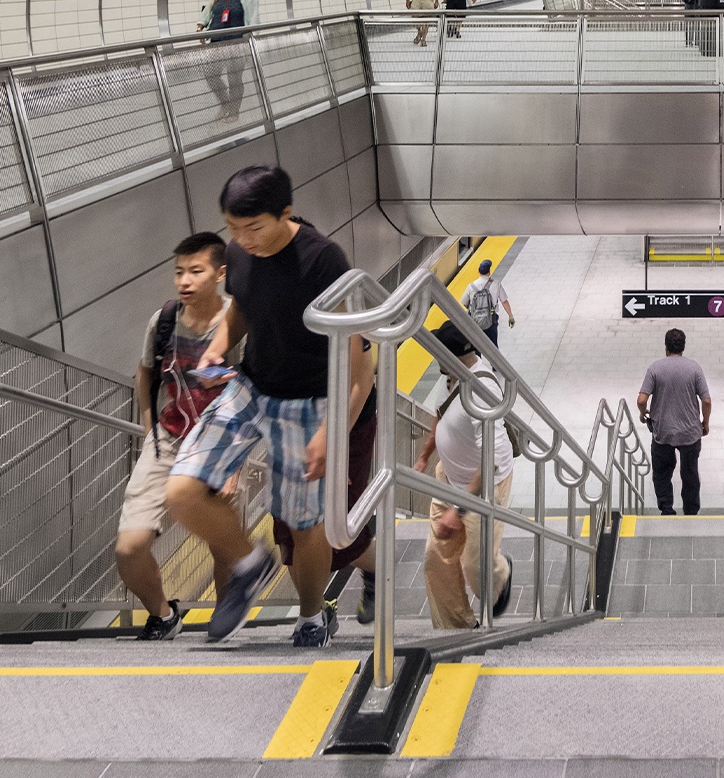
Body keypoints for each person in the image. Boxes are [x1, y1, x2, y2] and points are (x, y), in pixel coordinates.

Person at [165, 166, 373, 647]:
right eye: (233, 229)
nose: (242, 240)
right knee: (183, 491)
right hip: (250, 388)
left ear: (284, 213)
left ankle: (310, 617)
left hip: (310, 403)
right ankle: (249, 562)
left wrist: (333, 429)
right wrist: (220, 343)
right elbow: (241, 306)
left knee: (306, 525)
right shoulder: (239, 252)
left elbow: (361, 362)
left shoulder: (323, 262)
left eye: (253, 228)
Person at [114, 232, 246, 639]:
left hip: (218, 444)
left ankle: (224, 628)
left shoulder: (237, 322)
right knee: (129, 548)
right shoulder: (165, 319)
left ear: (220, 274)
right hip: (168, 439)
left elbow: (247, 391)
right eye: (179, 273)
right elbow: (145, 372)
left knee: (223, 546)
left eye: (195, 271)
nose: (184, 281)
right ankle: (164, 614)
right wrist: (149, 426)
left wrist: (234, 467)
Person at [413, 322, 515, 629]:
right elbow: (441, 416)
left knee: (477, 570)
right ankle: (457, 627)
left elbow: (490, 463)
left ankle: (500, 574)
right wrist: (424, 456)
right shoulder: (451, 377)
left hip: (483, 487)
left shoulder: (483, 391)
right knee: (435, 560)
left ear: (455, 356)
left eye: (439, 356)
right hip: (449, 478)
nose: (436, 362)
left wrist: (458, 511)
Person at [638, 328, 710, 516]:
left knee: (662, 473)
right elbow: (707, 400)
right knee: (690, 475)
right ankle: (691, 512)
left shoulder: (655, 368)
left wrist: (641, 414)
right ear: (683, 347)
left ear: (666, 347)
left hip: (663, 432)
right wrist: (705, 423)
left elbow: (641, 400)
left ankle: (667, 509)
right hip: (690, 433)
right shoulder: (694, 368)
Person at [198, 0, 259, 122]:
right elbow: (208, 10)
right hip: (216, 41)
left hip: (237, 43)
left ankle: (234, 111)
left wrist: (251, 38)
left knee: (234, 78)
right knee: (210, 74)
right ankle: (225, 103)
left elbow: (253, 18)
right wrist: (201, 25)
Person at [460, 257, 516, 344]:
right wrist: (510, 316)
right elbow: (504, 301)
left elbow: (464, 303)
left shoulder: (471, 286)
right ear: (489, 272)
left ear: (478, 272)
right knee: (493, 346)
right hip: (491, 320)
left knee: (476, 347)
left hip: (475, 321)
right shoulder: (496, 284)